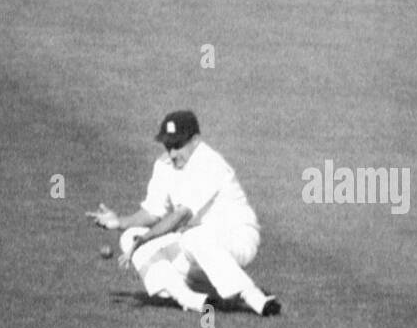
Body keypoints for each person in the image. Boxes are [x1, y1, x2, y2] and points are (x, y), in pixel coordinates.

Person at [91, 110, 281, 316]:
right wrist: (119, 222)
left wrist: (145, 239)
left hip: (236, 238)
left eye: (178, 145)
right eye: (168, 146)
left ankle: (253, 297)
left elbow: (181, 215)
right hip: (196, 246)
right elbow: (153, 212)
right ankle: (195, 300)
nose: (172, 154)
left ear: (195, 140)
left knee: (192, 237)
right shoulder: (163, 165)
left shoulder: (210, 163)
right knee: (130, 237)